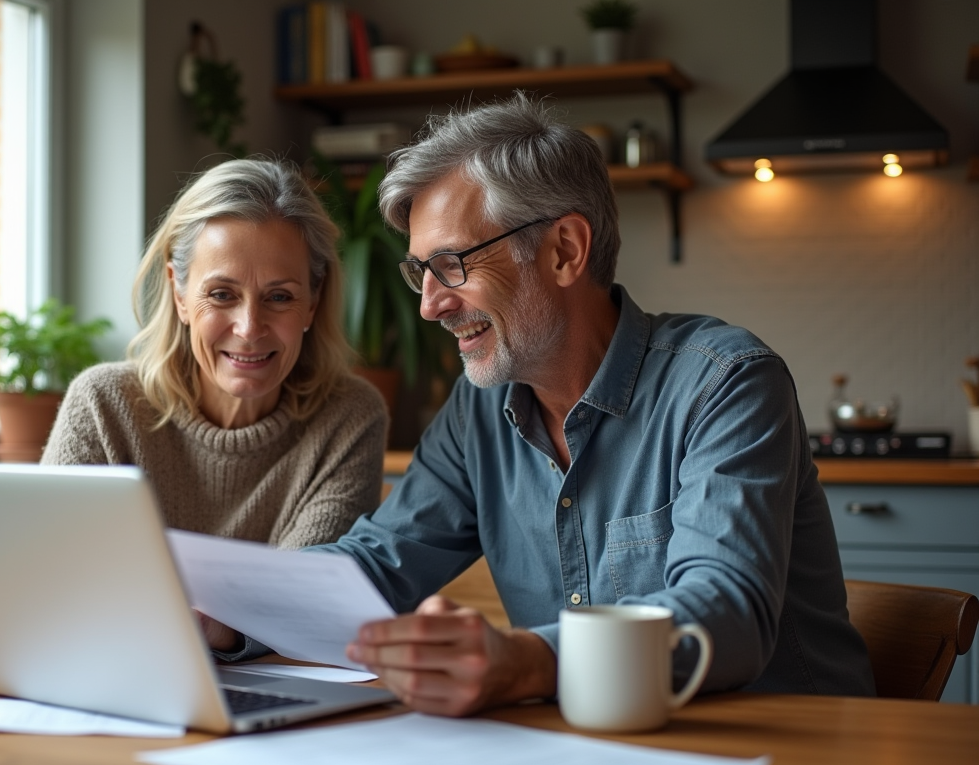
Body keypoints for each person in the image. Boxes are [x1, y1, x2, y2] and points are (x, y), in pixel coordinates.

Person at [209, 94, 875, 713]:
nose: (430, 304)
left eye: (453, 264)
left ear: (564, 250)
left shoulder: (725, 383)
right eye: (421, 271)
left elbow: (725, 612)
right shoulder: (478, 415)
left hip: (791, 753)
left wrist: (529, 661)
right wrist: (221, 607)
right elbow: (377, 563)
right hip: (601, 757)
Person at [42, 158, 387, 550]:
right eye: (222, 294)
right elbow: (54, 573)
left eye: (279, 296)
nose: (249, 327)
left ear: (312, 301)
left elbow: (296, 596)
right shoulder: (102, 406)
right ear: (179, 294)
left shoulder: (349, 419)